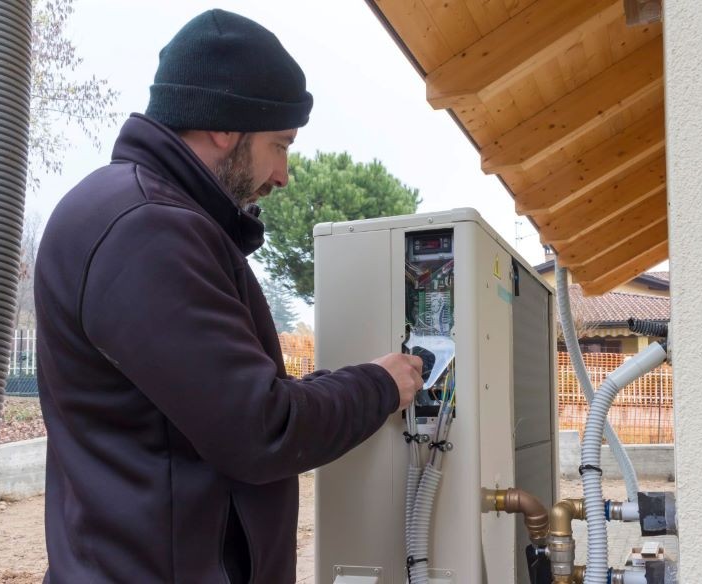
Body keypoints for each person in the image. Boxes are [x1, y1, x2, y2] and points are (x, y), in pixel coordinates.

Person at [34, 9, 423, 583]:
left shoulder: (140, 214)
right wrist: (380, 387)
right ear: (224, 126)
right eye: (279, 144)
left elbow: (217, 406)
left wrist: (345, 381)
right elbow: (261, 430)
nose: (284, 174)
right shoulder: (147, 230)